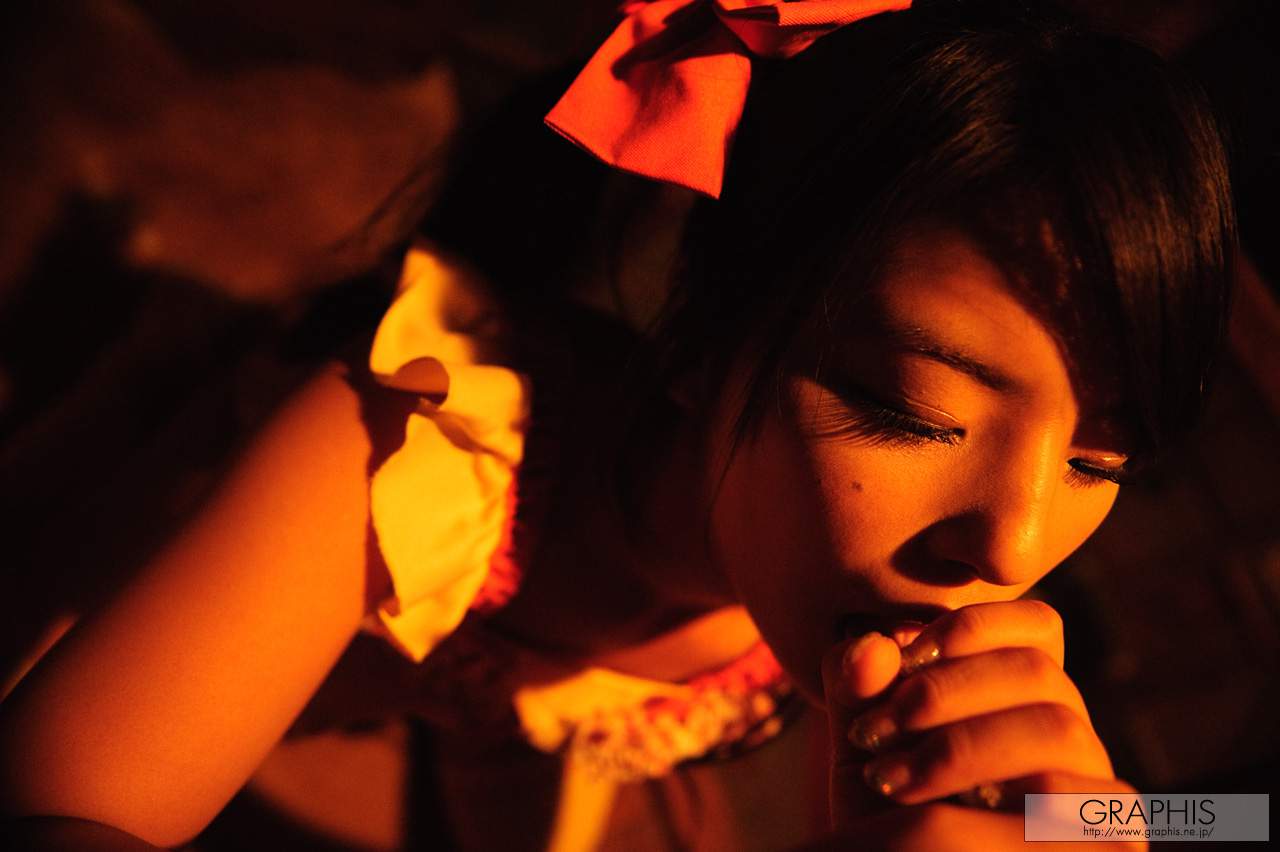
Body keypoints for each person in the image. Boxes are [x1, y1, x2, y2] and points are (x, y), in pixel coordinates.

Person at [0, 0, 1235, 849]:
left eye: (1097, 459)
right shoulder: (420, 461)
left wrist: (1112, 817)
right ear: (705, 337)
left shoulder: (827, 591)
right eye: (911, 412)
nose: (1011, 548)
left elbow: (1214, 825)